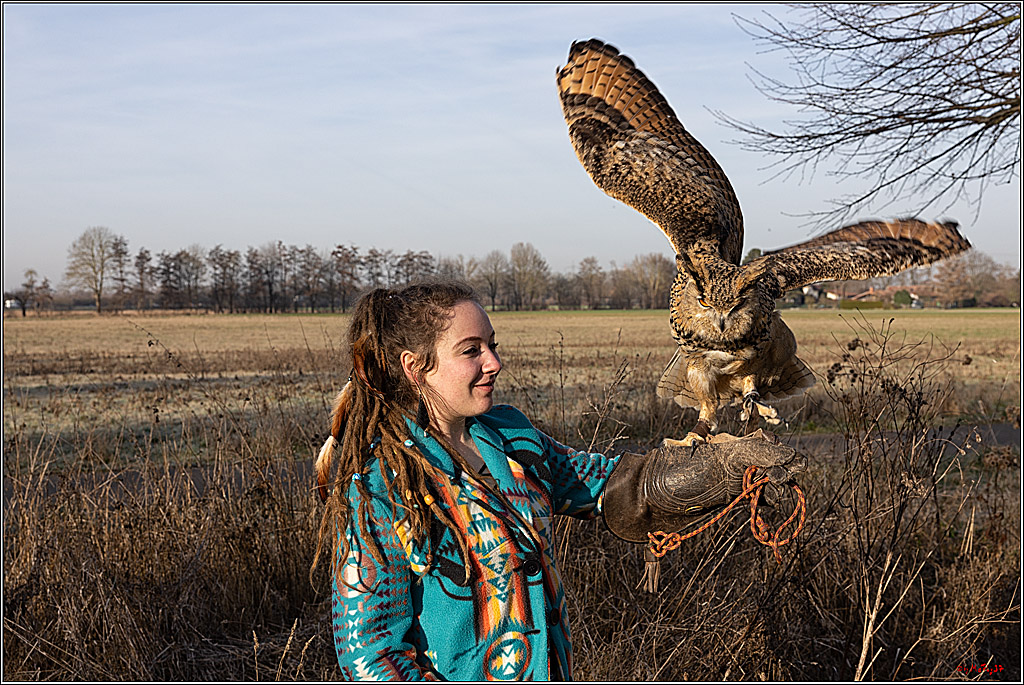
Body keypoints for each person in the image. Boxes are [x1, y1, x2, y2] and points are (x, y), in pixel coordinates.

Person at [312, 280, 802, 681]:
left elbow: (608, 486)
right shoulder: (378, 486)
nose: (493, 363)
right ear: (417, 368)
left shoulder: (511, 435)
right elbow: (371, 654)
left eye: (493, 346)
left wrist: (724, 469)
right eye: (471, 351)